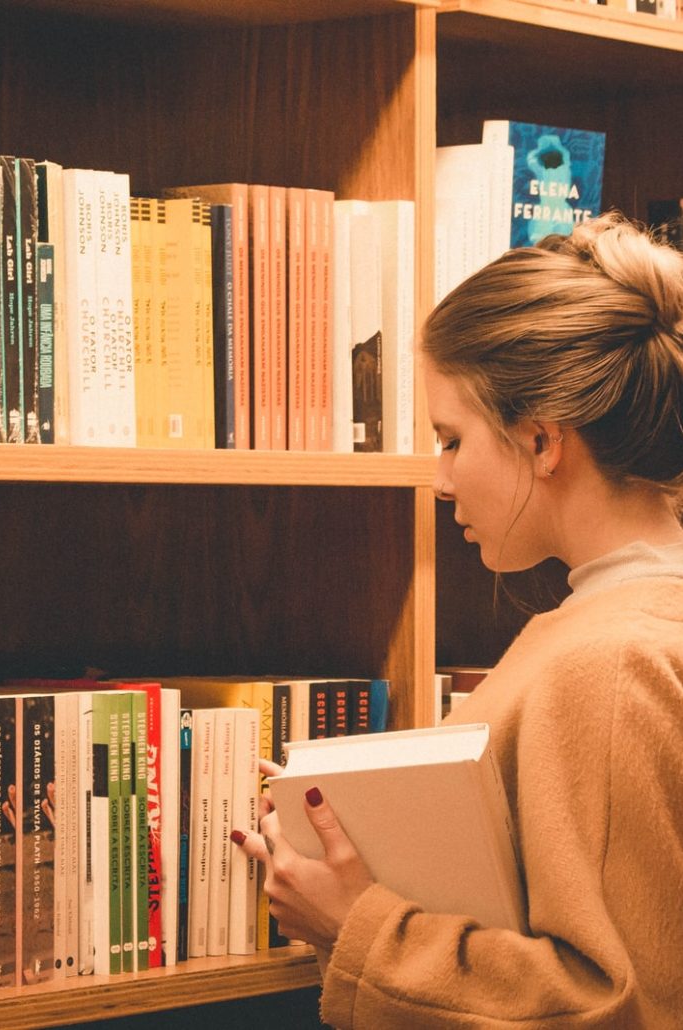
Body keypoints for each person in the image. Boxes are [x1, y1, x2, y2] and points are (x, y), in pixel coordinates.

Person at [232, 211, 683, 1028]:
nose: (440, 482)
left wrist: (357, 922)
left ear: (543, 440)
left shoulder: (613, 662)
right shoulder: (622, 624)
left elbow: (627, 1005)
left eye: (450, 439)